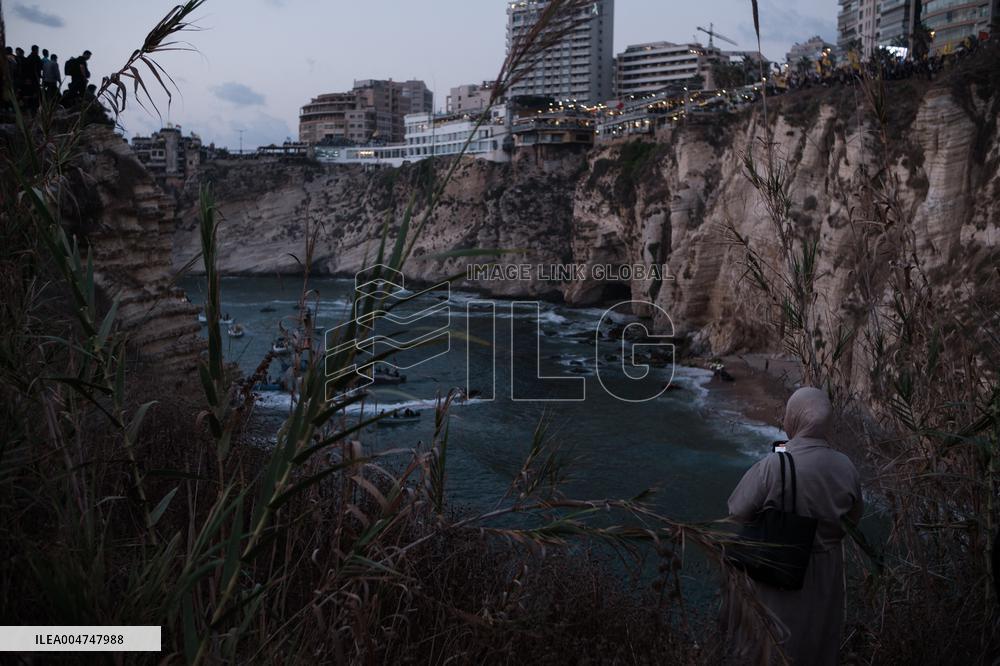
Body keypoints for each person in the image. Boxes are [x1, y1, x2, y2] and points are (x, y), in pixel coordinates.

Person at [725, 387, 863, 665]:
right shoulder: (846, 466)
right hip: (826, 573)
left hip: (779, 569)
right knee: (818, 644)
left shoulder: (775, 464)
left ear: (795, 418)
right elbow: (853, 519)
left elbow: (736, 510)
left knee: (774, 645)